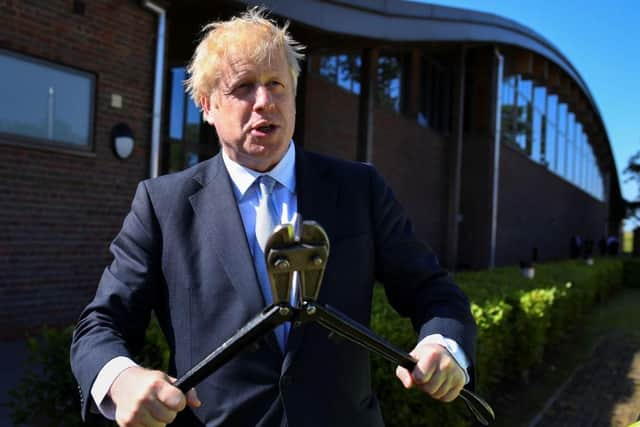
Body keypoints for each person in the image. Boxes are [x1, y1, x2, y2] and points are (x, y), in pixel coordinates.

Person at [70, 8, 477, 427]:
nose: (264, 101)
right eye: (243, 87)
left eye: (276, 85)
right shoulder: (162, 205)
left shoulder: (361, 189)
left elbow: (433, 291)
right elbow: (101, 324)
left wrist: (443, 345)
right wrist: (122, 379)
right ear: (207, 105)